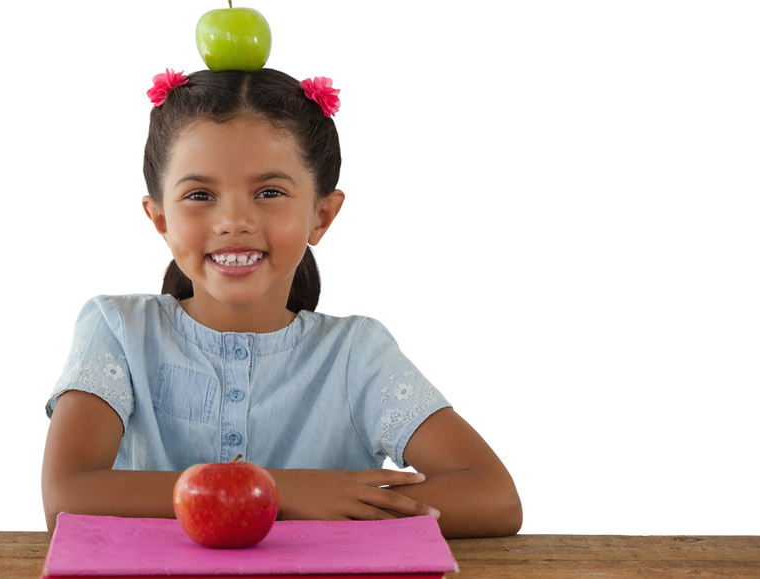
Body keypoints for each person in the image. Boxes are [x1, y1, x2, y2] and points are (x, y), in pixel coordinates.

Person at [39, 64, 525, 540]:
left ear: (323, 216)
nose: (234, 220)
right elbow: (65, 496)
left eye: (269, 191)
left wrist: (338, 505)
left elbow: (496, 497)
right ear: (159, 220)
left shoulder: (357, 349)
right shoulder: (117, 328)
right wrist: (280, 492)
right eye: (200, 194)